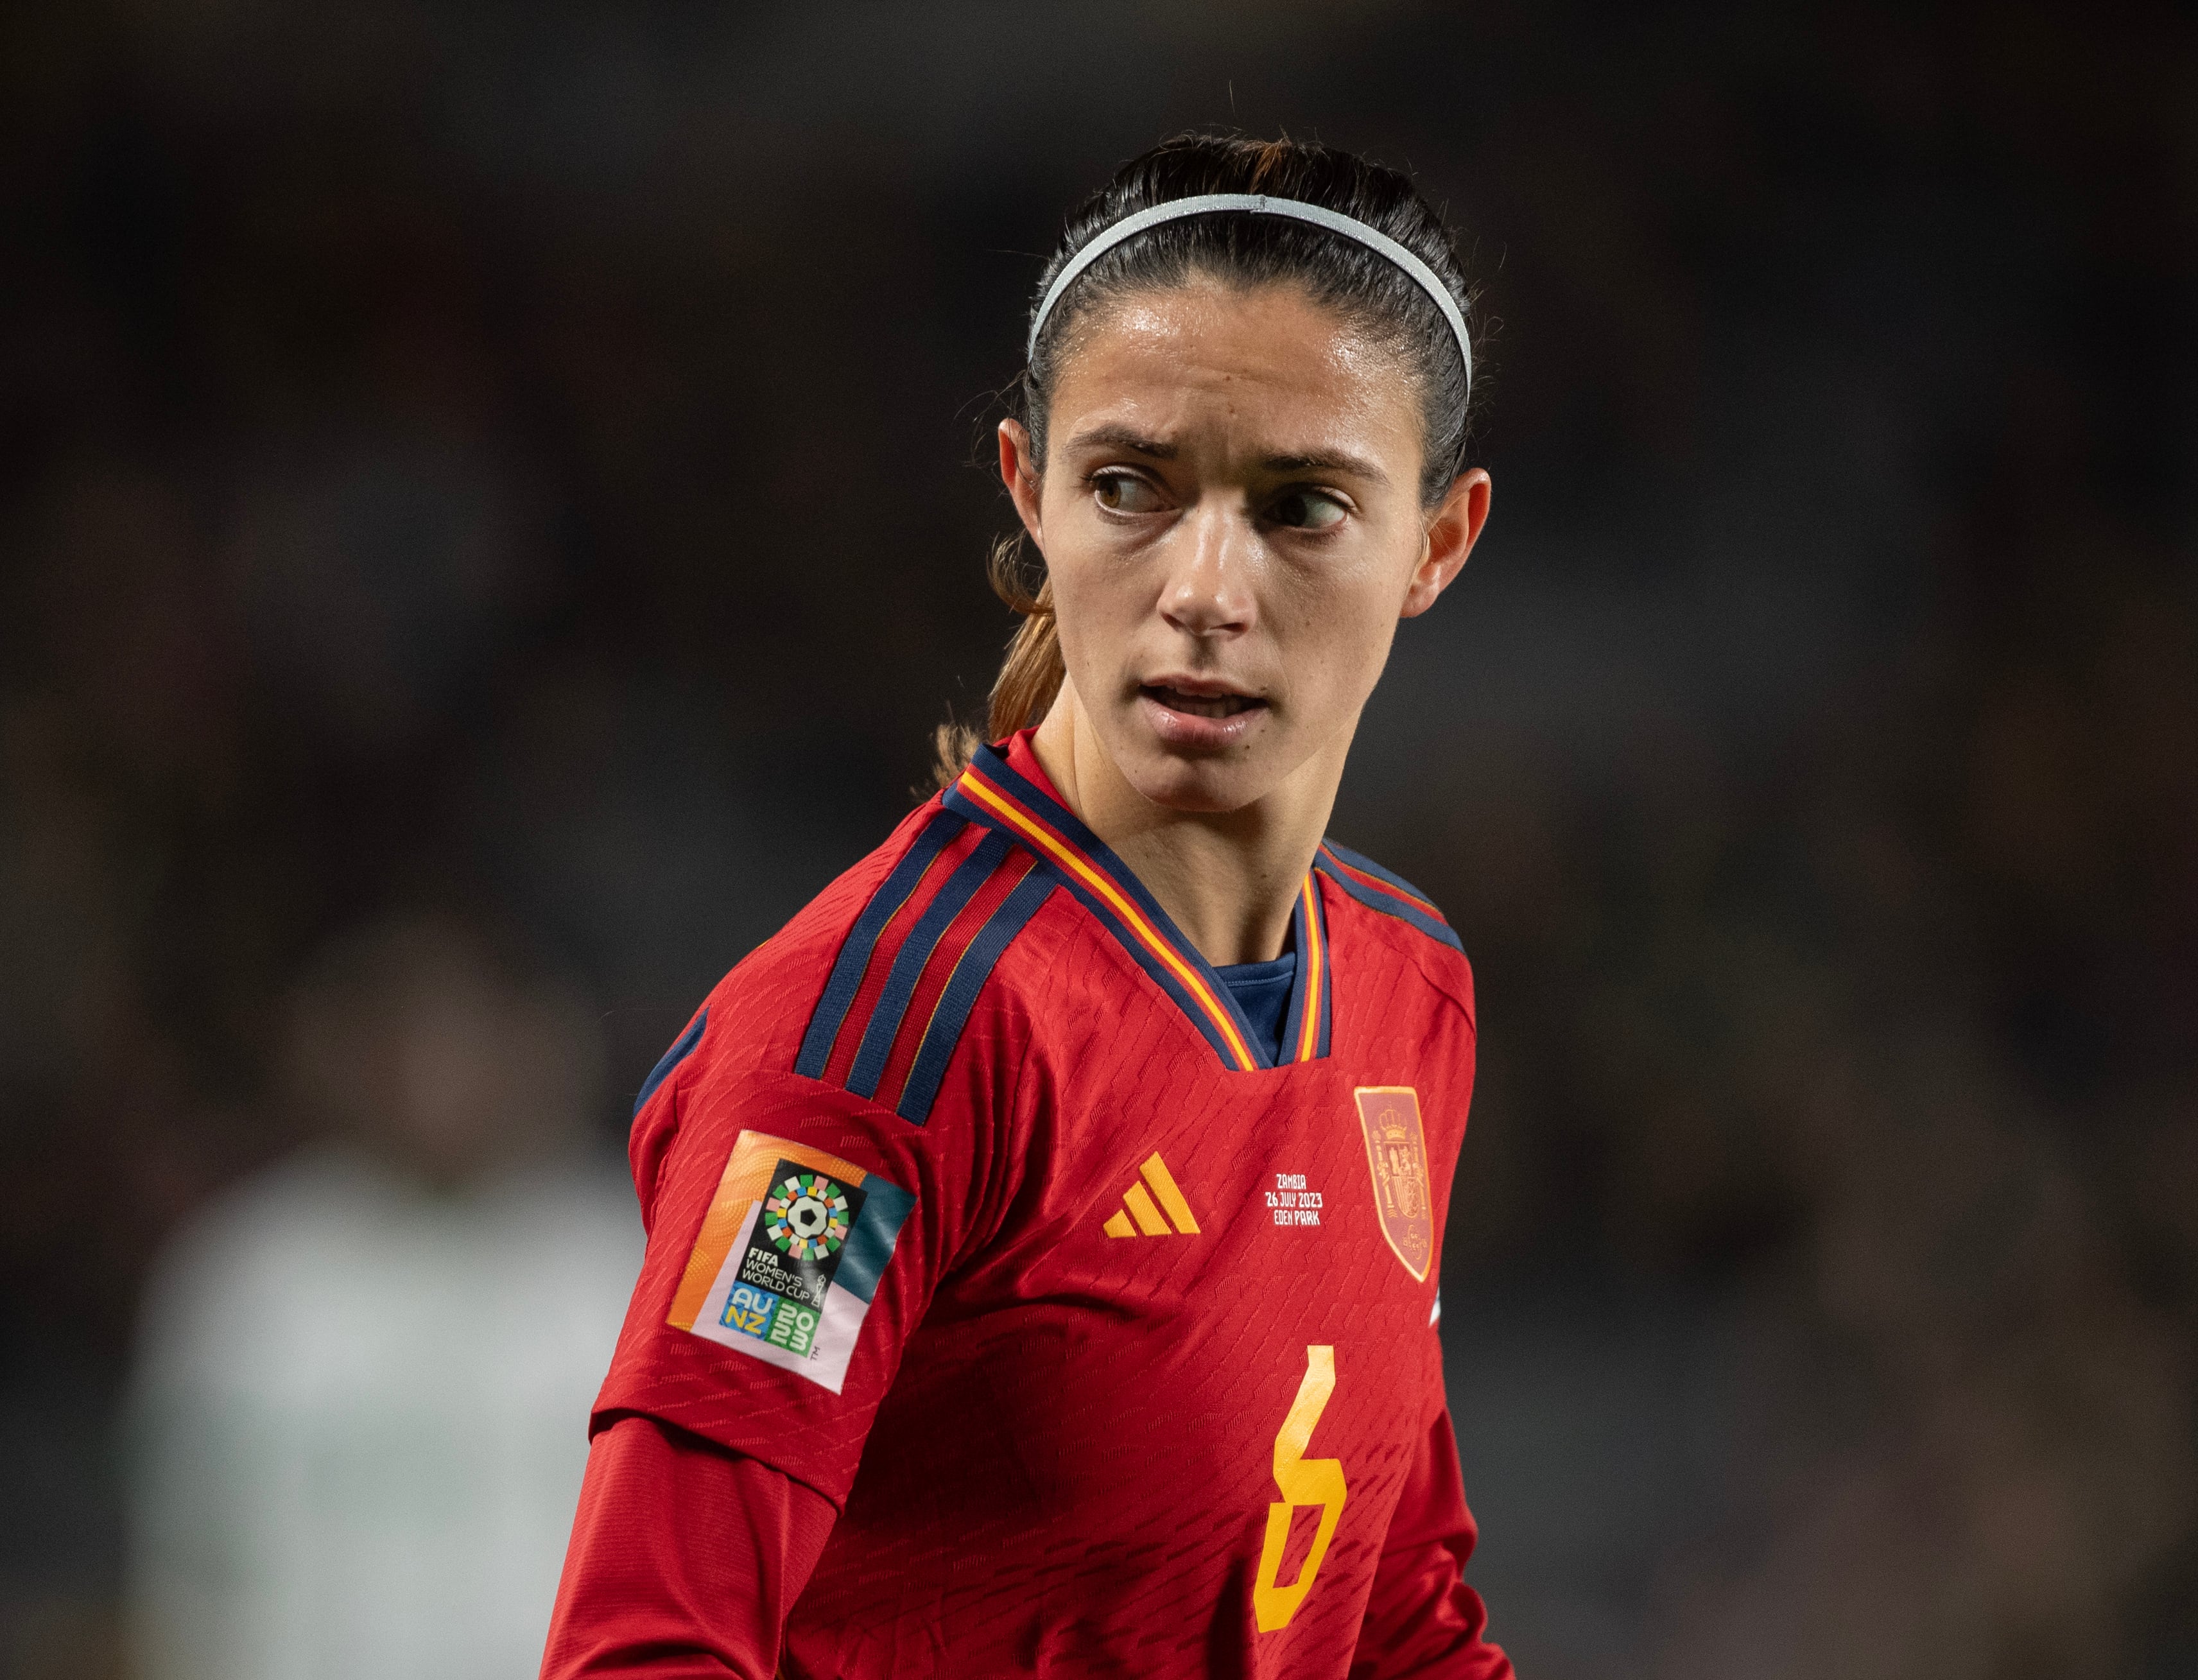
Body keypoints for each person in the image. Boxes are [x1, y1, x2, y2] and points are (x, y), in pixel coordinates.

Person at [541, 133, 1507, 1678]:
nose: (1203, 583)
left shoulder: (1408, 990)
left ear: (1437, 544)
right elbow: (650, 1651)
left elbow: (1390, 1611)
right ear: (1029, 489)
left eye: (1301, 506)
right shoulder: (870, 1046)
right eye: (1128, 483)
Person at [128, 914, 641, 1680]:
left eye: (472, 1033)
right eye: (403, 1032)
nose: (438, 1070)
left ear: (544, 1046)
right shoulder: (249, 1273)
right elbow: (187, 1562)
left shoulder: (634, 1257)